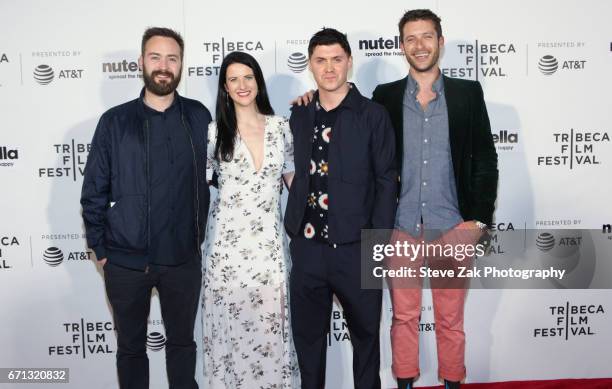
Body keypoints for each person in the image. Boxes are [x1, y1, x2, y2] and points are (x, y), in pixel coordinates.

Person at [371, 9, 498, 389]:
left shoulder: (467, 94)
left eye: (427, 36)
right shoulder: (385, 96)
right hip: (401, 226)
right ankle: (405, 383)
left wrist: (477, 220)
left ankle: (452, 383)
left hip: (453, 225)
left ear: (440, 42)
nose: (419, 45)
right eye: (411, 38)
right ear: (401, 46)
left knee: (450, 319)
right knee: (403, 318)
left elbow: (486, 159)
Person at [80, 27, 211, 389]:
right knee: (131, 349)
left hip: (183, 258)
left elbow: (227, 167)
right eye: (155, 57)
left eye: (172, 58)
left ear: (181, 64)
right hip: (125, 261)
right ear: (140, 62)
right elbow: (93, 190)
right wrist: (101, 250)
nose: (163, 66)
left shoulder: (199, 117)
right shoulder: (114, 122)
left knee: (183, 346)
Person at [284, 28, 397, 389]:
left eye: (336, 59)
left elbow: (385, 183)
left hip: (357, 250)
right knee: (309, 343)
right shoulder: (299, 114)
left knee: (366, 343)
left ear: (349, 61)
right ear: (311, 65)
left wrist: (376, 247)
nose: (329, 68)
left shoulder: (373, 115)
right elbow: (291, 170)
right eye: (321, 60)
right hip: (308, 250)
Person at [202, 51, 300, 389]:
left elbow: (296, 188)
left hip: (270, 252)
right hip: (225, 255)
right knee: (230, 340)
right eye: (234, 79)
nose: (242, 85)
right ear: (225, 88)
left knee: (272, 338)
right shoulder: (214, 134)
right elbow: (196, 192)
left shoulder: (281, 128)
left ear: (257, 81)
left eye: (248, 77)